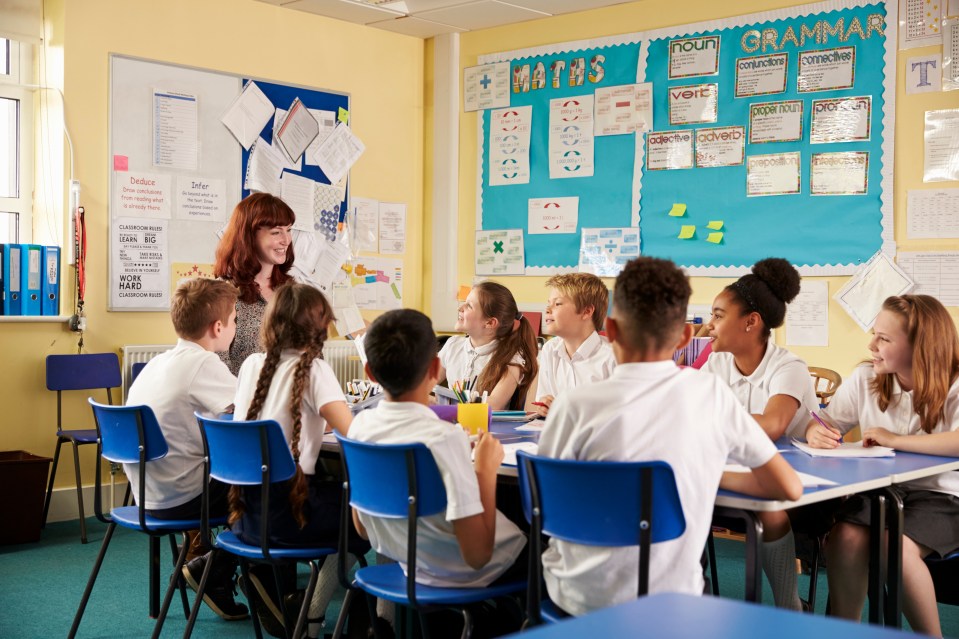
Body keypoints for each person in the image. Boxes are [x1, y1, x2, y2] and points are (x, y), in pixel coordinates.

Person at [536, 256, 802, 616]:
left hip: (575, 598)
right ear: (685, 337)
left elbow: (548, 501)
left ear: (610, 330)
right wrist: (706, 472)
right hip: (668, 600)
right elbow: (788, 488)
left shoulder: (571, 405)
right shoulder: (709, 393)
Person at [349, 308, 528, 636]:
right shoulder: (445, 439)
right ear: (435, 369)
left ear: (369, 373)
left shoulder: (359, 426)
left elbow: (361, 529)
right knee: (541, 543)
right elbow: (476, 555)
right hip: (461, 570)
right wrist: (484, 472)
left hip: (407, 561)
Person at [805, 295, 959, 636]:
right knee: (844, 538)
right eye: (874, 334)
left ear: (920, 346)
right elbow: (824, 421)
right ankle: (846, 632)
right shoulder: (866, 378)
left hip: (943, 497)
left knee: (896, 550)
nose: (872, 344)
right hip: (883, 492)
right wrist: (816, 431)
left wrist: (895, 439)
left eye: (884, 338)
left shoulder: (955, 383)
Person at [231, 282, 360, 638]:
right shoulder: (314, 370)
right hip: (290, 517)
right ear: (320, 327)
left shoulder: (252, 365)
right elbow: (356, 436)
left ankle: (310, 611)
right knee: (371, 514)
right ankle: (346, 615)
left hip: (244, 517)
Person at [125, 277, 247, 621]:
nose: (236, 327)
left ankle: (217, 568)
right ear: (218, 326)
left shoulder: (158, 363)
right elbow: (252, 408)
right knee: (270, 487)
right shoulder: (203, 364)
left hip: (149, 497)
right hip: (184, 497)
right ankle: (216, 571)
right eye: (235, 320)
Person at [701, 257, 819, 610]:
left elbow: (772, 426)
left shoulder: (788, 367)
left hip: (797, 483)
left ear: (751, 322)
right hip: (736, 473)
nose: (710, 325)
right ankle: (694, 595)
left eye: (719, 315)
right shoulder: (716, 362)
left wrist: (714, 417)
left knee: (769, 510)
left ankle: (789, 607)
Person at [214, 192, 295, 376]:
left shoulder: (294, 291)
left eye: (288, 230)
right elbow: (218, 369)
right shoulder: (224, 294)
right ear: (249, 236)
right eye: (276, 232)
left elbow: (313, 356)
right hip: (244, 401)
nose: (286, 240)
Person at [525, 273, 615, 418]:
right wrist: (544, 406)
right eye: (548, 303)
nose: (548, 309)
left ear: (586, 311)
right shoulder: (550, 349)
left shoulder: (612, 356)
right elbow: (543, 400)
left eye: (557, 304)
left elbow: (622, 415)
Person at [438, 281, 538, 410]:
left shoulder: (512, 360)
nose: (460, 308)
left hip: (486, 428)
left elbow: (494, 404)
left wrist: (440, 404)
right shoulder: (452, 345)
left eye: (469, 306)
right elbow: (423, 383)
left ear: (490, 323)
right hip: (453, 425)